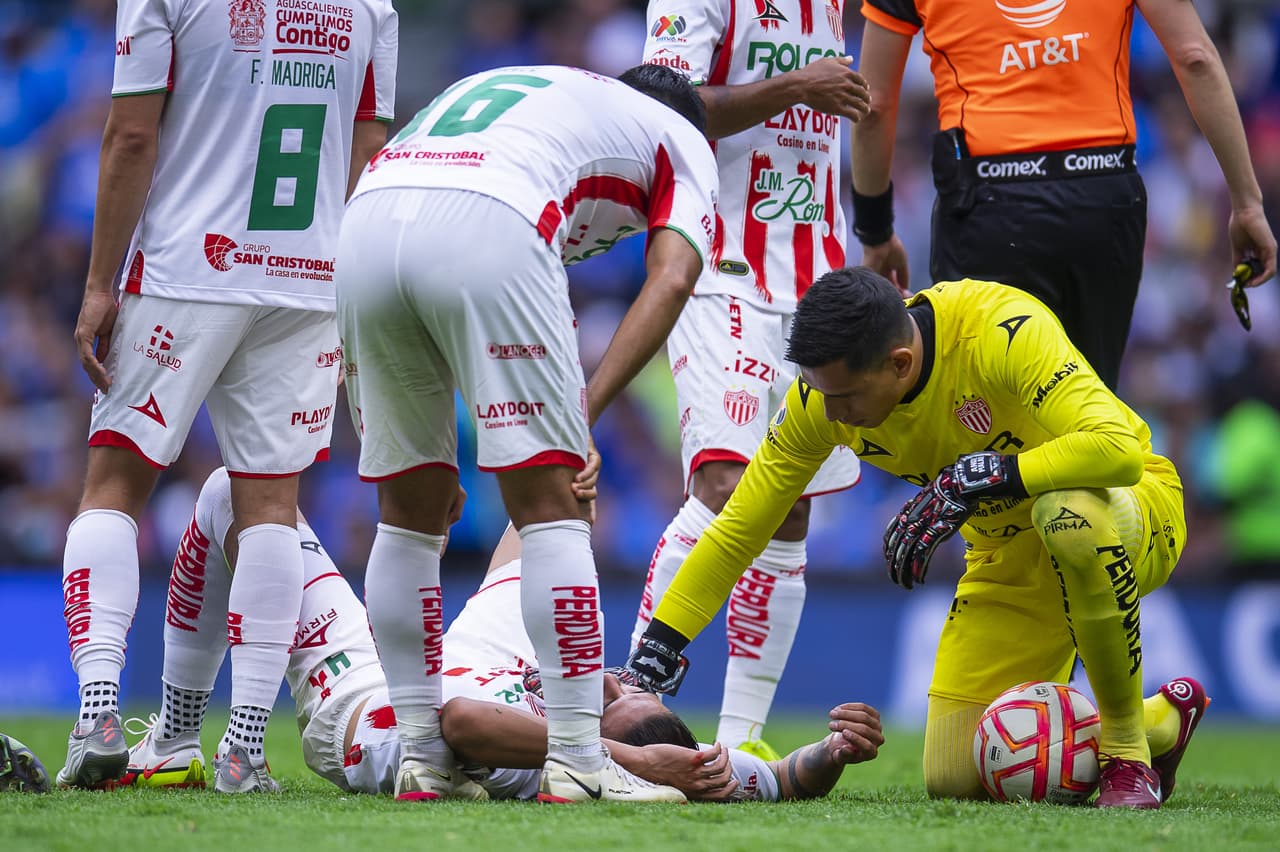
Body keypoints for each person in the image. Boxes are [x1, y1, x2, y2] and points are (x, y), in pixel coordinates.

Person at [628, 267, 1210, 809]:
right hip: (1008, 554)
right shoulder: (820, 401)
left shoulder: (1002, 330)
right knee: (956, 776)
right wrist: (658, 647)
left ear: (901, 364)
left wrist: (983, 476)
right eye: (821, 393)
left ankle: (1129, 755)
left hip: (1129, 514)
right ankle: (1163, 720)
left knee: (1067, 513)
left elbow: (1118, 450)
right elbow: (737, 531)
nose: (833, 413)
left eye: (847, 398)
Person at [334, 63, 719, 803]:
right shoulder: (683, 139)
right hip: (492, 219)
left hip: (368, 219)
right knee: (556, 508)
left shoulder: (542, 90)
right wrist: (583, 417)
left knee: (409, 517)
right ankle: (578, 760)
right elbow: (670, 280)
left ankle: (423, 760)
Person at [59, 0, 397, 792]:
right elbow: (370, 143)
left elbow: (132, 133)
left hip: (185, 267)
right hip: (309, 276)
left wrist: (99, 282)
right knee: (270, 510)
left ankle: (101, 713)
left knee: (113, 486)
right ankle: (243, 749)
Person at [124, 468, 885, 802]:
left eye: (596, 710)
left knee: (235, 493)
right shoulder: (571, 687)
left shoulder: (550, 756)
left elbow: (458, 721)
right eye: (605, 693)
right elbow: (782, 780)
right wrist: (833, 751)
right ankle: (177, 741)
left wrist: (616, 754)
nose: (598, 692)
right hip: (483, 658)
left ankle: (215, 741)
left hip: (361, 706)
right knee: (559, 516)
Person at [630, 0, 871, 757]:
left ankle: (742, 740)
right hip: (717, 265)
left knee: (793, 509)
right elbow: (658, 106)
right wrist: (797, 86)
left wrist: (874, 232)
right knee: (729, 487)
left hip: (816, 278)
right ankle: (632, 704)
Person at [849, 0, 1276, 389]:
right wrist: (1247, 203)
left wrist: (875, 231)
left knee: (987, 419)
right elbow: (1195, 58)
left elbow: (874, 105)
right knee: (1090, 411)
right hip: (1102, 201)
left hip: (988, 209)